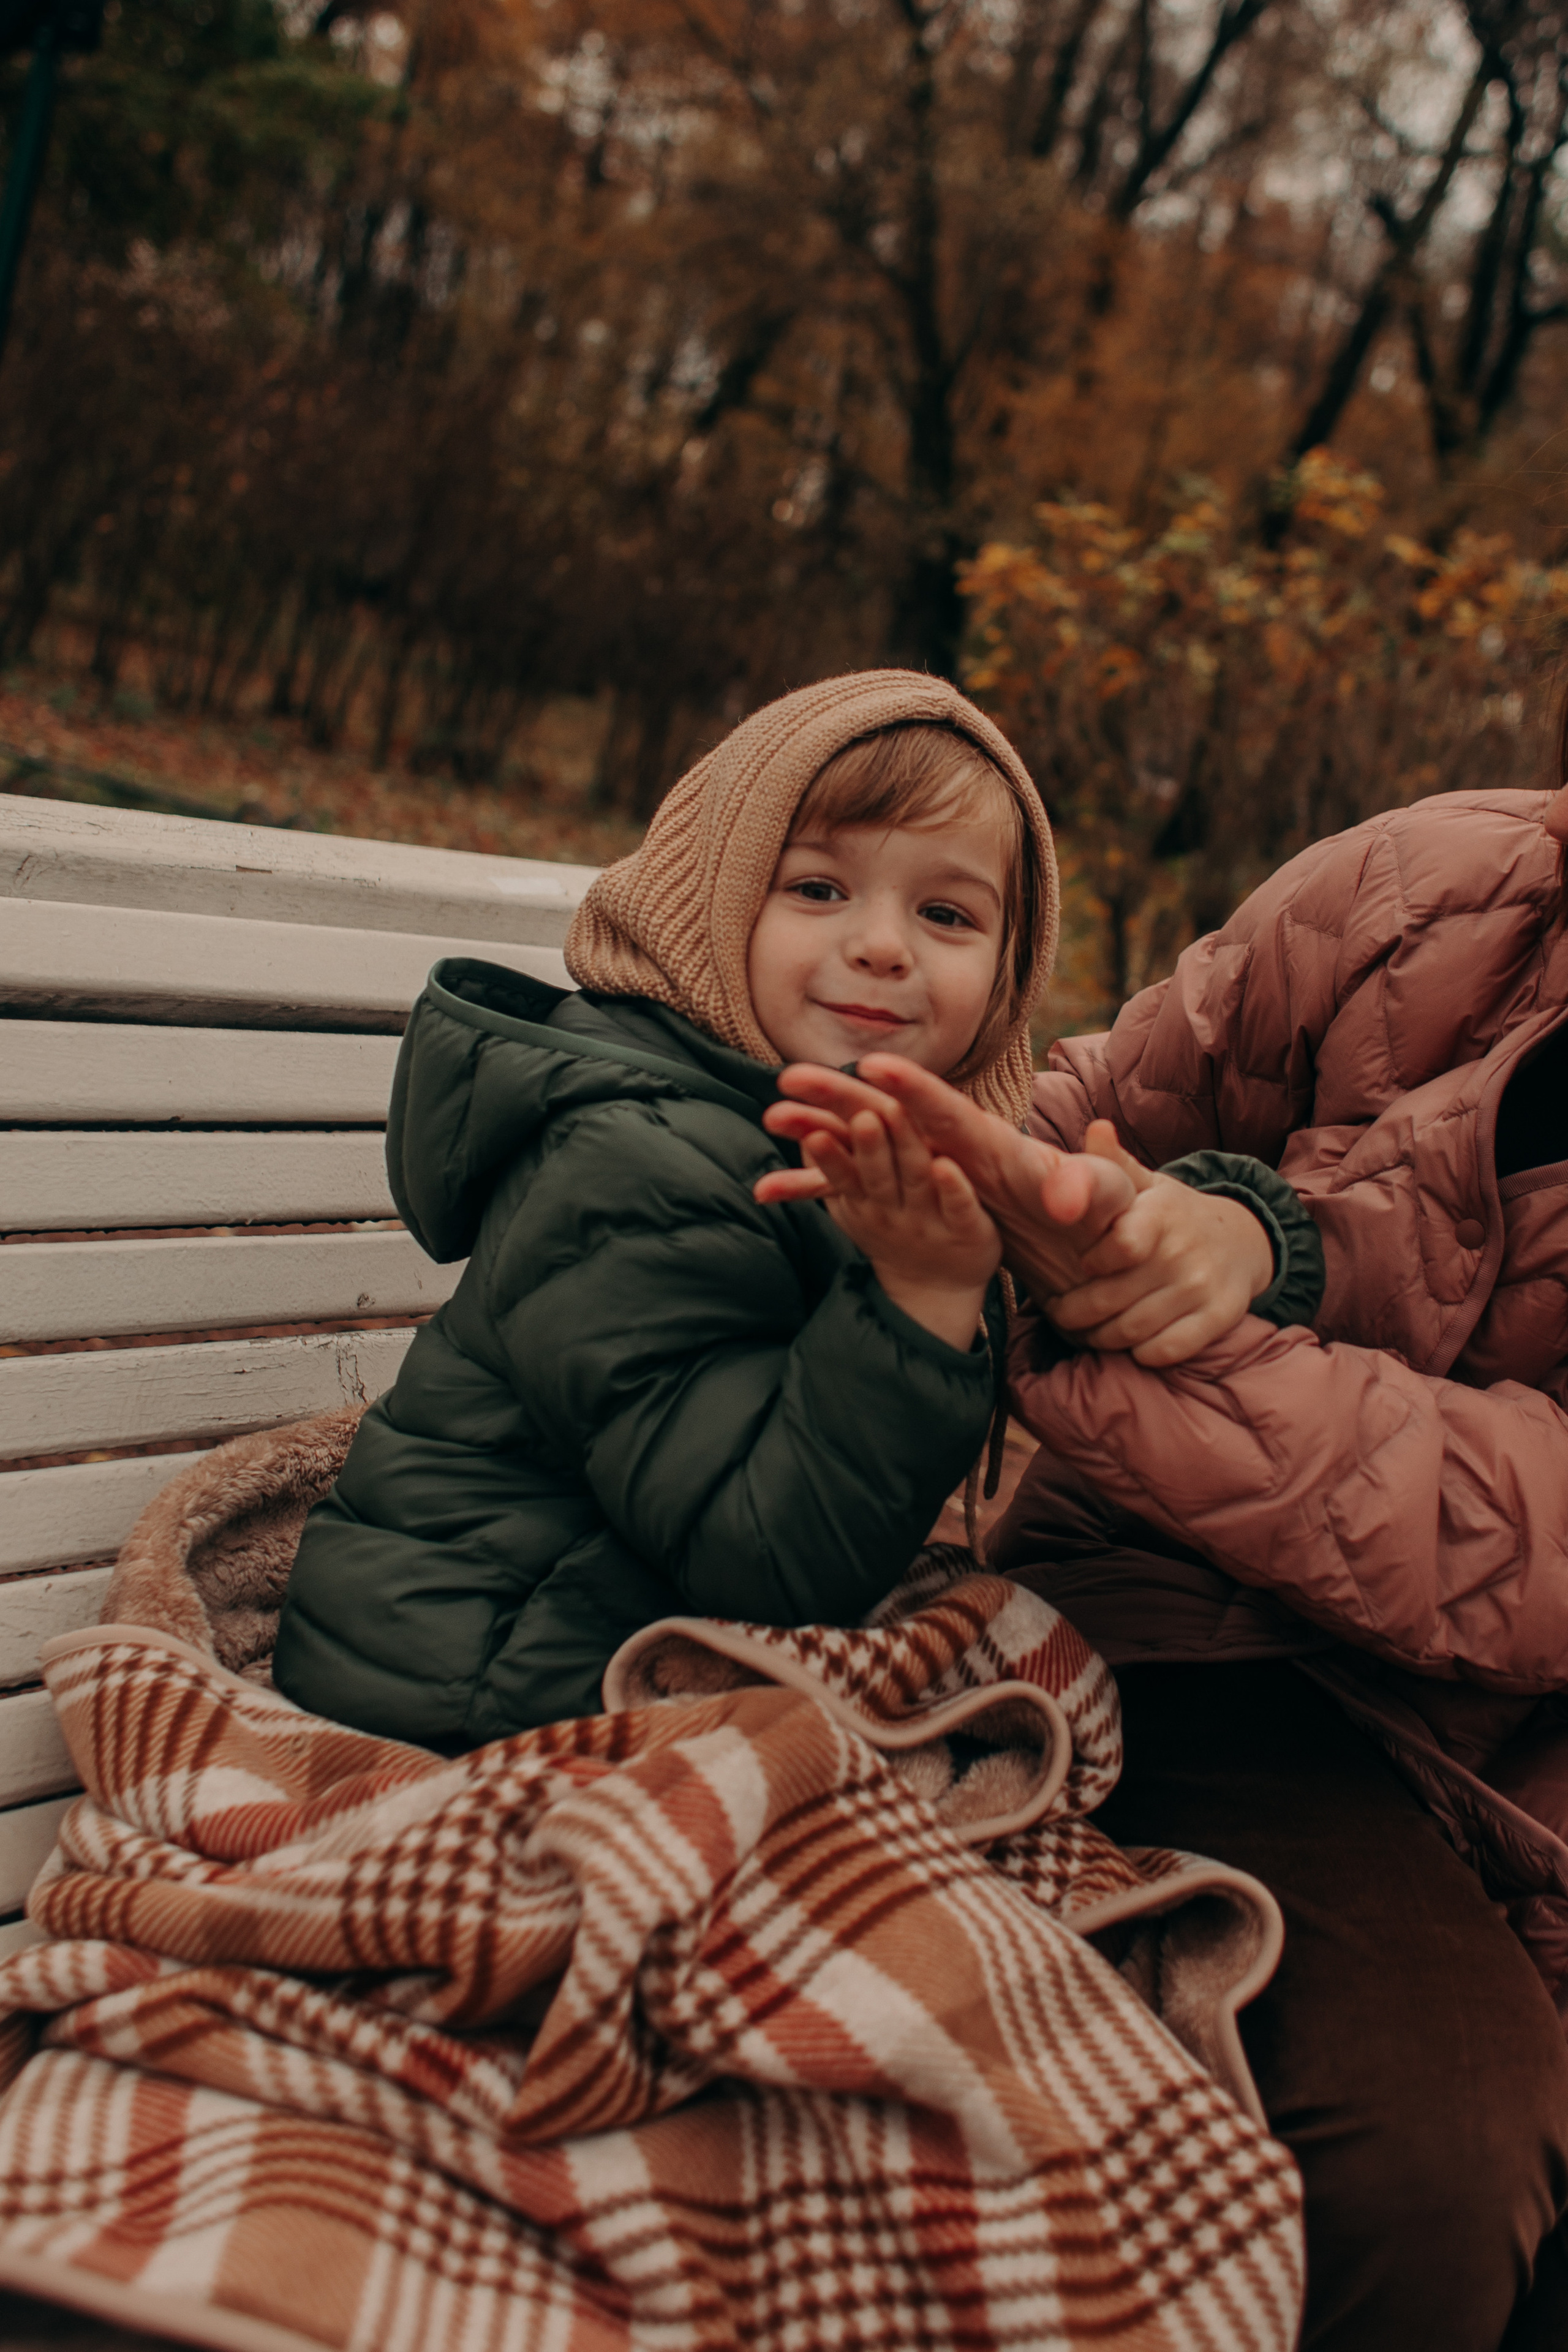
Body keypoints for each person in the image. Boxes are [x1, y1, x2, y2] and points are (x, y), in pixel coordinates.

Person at [763, 775, 1568, 2351]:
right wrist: (1060, 1219)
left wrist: (1225, 1275)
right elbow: (1084, 1122)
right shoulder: (1429, 886)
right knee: (1436, 2174)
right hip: (1202, 1634)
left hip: (1509, 1731)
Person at [276, 668, 1300, 1744]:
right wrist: (921, 1295)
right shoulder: (634, 1159)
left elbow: (1094, 1191)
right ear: (717, 906)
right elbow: (759, 1554)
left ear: (1006, 981)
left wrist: (1247, 1235)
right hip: (470, 1683)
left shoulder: (852, 1131)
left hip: (614, 1647)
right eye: (819, 890)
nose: (883, 945)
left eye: (946, 913)